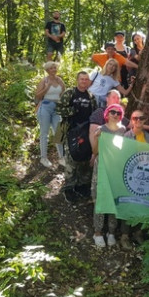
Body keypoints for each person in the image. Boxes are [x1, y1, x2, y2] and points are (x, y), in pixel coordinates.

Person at [89, 104, 127, 249]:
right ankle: (97, 232)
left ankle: (111, 232)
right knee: (99, 197)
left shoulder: (123, 130)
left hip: (116, 167)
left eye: (118, 113)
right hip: (102, 167)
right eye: (112, 112)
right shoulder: (101, 129)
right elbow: (95, 151)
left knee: (113, 197)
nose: (115, 115)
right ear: (107, 114)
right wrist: (97, 138)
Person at [57, 71, 97, 202]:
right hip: (71, 131)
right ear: (77, 80)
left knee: (85, 158)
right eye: (82, 79)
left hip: (86, 132)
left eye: (86, 79)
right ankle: (69, 187)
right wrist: (73, 110)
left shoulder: (91, 96)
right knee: (71, 159)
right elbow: (59, 109)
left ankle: (82, 186)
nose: (84, 81)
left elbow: (94, 114)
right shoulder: (70, 93)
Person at [123, 109, 149, 246]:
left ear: (145, 120)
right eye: (135, 118)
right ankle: (124, 235)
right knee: (128, 204)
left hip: (144, 176)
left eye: (141, 118)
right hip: (130, 176)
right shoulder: (126, 136)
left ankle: (138, 232)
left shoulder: (147, 136)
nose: (138, 121)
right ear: (131, 120)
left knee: (142, 204)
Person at [34, 61, 66, 168]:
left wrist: (63, 88)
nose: (54, 69)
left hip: (56, 108)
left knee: (58, 133)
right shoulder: (44, 80)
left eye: (55, 68)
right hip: (45, 107)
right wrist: (46, 88)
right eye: (52, 68)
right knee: (44, 134)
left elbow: (61, 95)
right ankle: (43, 158)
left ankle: (62, 158)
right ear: (47, 70)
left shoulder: (59, 80)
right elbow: (37, 96)